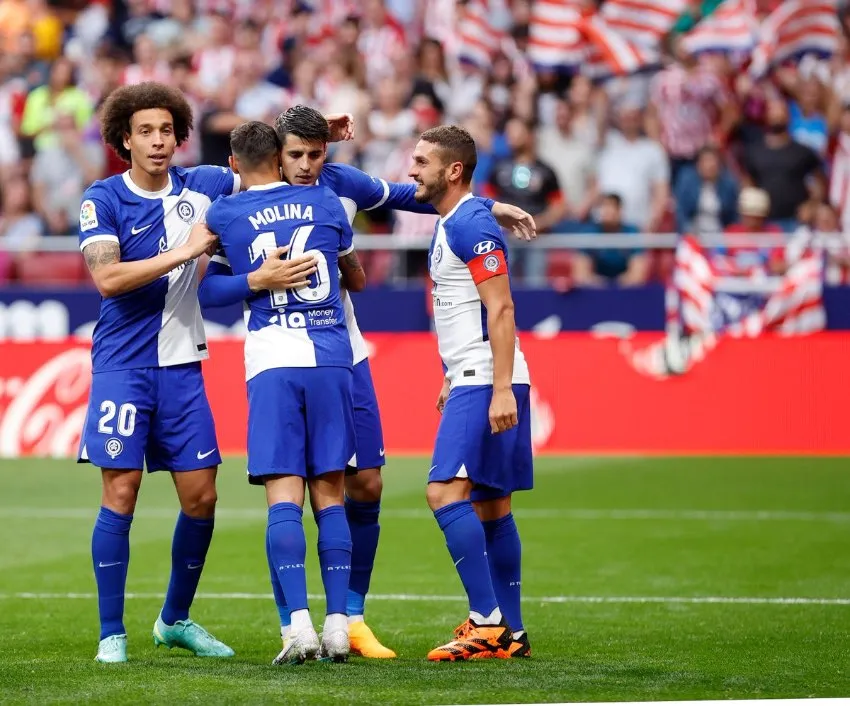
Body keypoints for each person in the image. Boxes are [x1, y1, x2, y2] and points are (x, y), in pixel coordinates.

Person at [199, 104, 536, 661]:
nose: (307, 165)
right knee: (302, 488)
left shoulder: (338, 185)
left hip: (345, 356)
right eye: (295, 154)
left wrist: (487, 206)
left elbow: (418, 195)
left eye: (316, 154)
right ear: (274, 155)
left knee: (365, 485)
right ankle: (297, 624)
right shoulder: (249, 195)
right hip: (317, 354)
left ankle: (351, 619)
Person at [77, 81, 352, 664]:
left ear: (179, 135)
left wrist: (307, 130)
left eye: (166, 130)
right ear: (124, 139)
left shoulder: (204, 184)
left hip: (183, 365)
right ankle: (111, 633)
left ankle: (174, 620)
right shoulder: (103, 198)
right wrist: (186, 251)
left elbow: (264, 162)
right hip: (123, 364)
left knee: (202, 498)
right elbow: (107, 280)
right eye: (145, 131)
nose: (158, 141)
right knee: (121, 490)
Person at [203, 121, 365, 664]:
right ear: (279, 157)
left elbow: (208, 294)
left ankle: (298, 626)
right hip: (333, 358)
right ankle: (338, 625)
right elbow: (354, 274)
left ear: (233, 164)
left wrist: (255, 280)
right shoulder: (327, 203)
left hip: (273, 361)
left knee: (284, 497)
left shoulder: (225, 214)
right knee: (331, 494)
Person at [408, 125, 533, 661]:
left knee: (443, 493)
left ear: (452, 170)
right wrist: (450, 372)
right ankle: (513, 632)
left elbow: (500, 307)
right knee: (491, 503)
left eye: (421, 161)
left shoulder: (471, 224)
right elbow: (464, 308)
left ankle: (486, 622)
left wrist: (499, 388)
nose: (411, 170)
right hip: (474, 373)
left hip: (487, 378)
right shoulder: (458, 219)